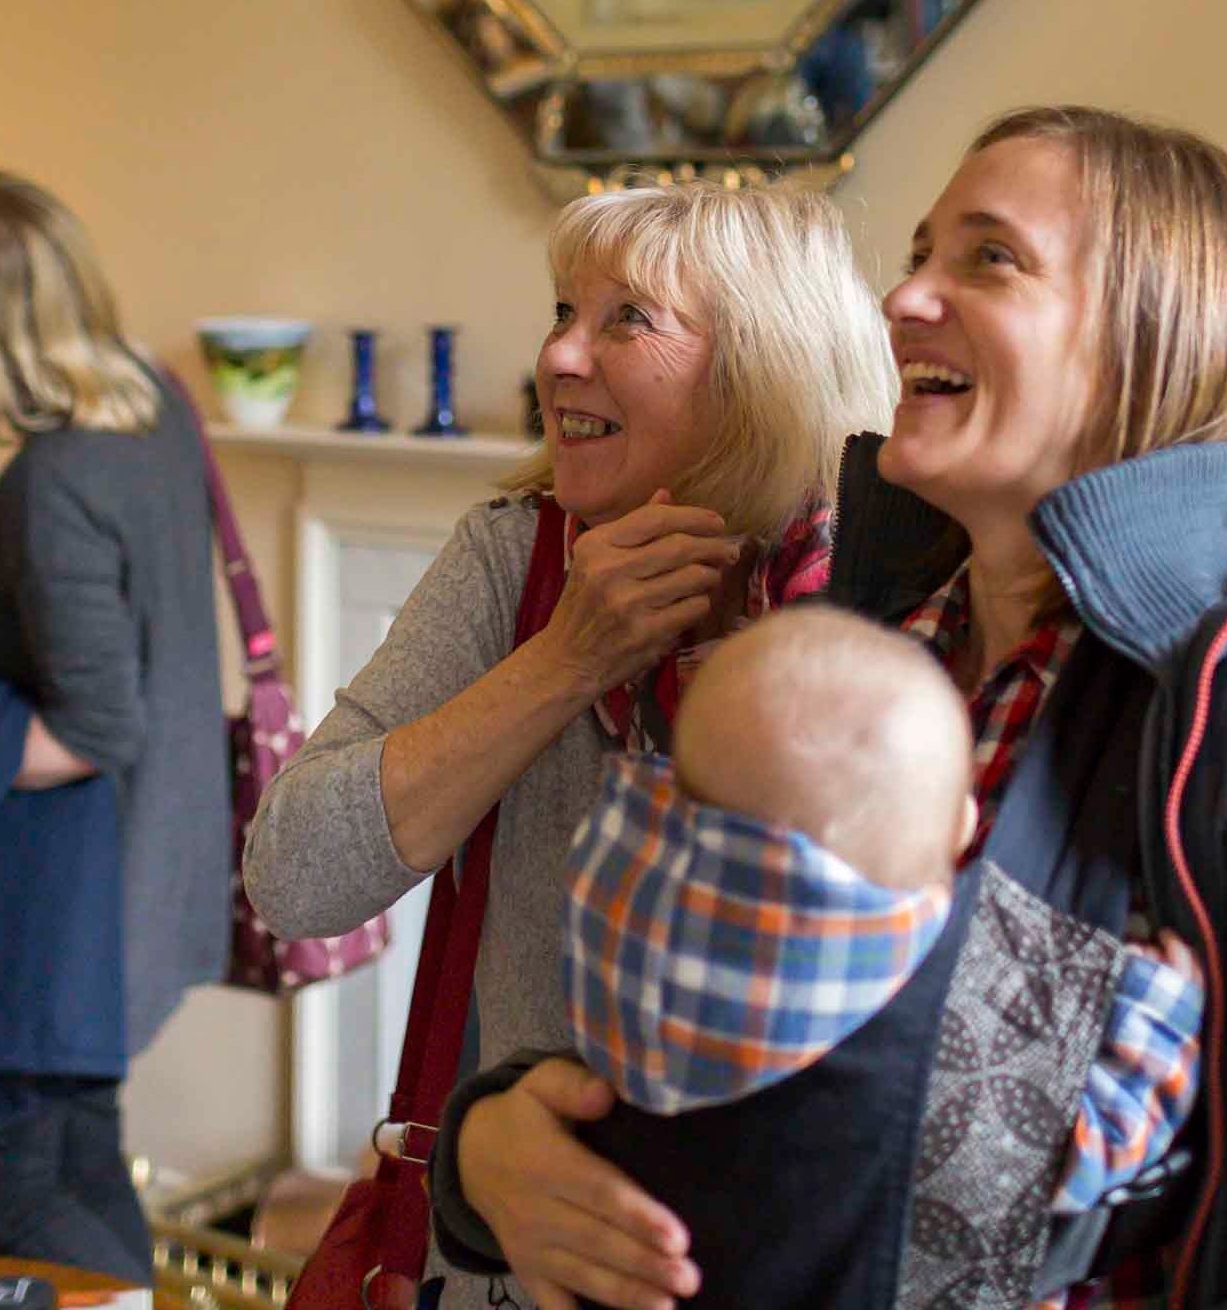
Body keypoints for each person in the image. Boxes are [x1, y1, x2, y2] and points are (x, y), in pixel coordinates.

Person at [442, 107, 1227, 1308]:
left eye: (988, 258)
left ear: (1155, 341)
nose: (901, 302)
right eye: (916, 257)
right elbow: (725, 1049)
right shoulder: (852, 665)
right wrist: (490, 1151)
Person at [243, 181, 898, 1308]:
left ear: (764, 365)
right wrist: (562, 661)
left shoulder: (889, 599)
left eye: (624, 319)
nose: (556, 356)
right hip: (511, 1263)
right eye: (560, 311)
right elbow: (293, 877)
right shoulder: (515, 559)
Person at [431, 606, 1202, 1308]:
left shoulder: (625, 980)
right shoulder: (960, 1082)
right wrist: (1157, 1005)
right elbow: (1098, 1136)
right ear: (963, 830)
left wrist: (473, 1141)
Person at [0, 171, 229, 1281]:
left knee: (4, 1190)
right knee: (82, 1160)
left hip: (79, 895)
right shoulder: (150, 399)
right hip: (158, 857)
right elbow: (106, 599)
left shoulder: (53, 479)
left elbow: (94, 726)